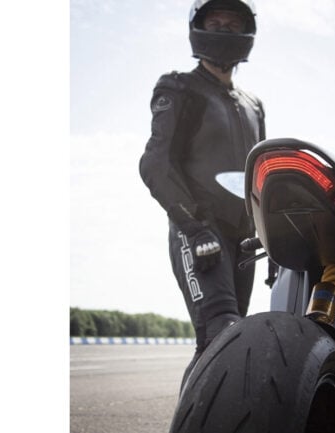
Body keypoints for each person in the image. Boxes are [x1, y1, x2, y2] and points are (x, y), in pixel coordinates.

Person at [139, 0, 265, 383]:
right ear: (198, 27)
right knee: (220, 332)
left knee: (228, 340)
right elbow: (155, 164)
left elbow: (261, 176)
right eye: (215, 21)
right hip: (199, 231)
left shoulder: (254, 106)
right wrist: (194, 228)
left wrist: (273, 237)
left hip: (245, 241)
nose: (223, 29)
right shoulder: (180, 88)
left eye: (232, 23)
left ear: (246, 32)